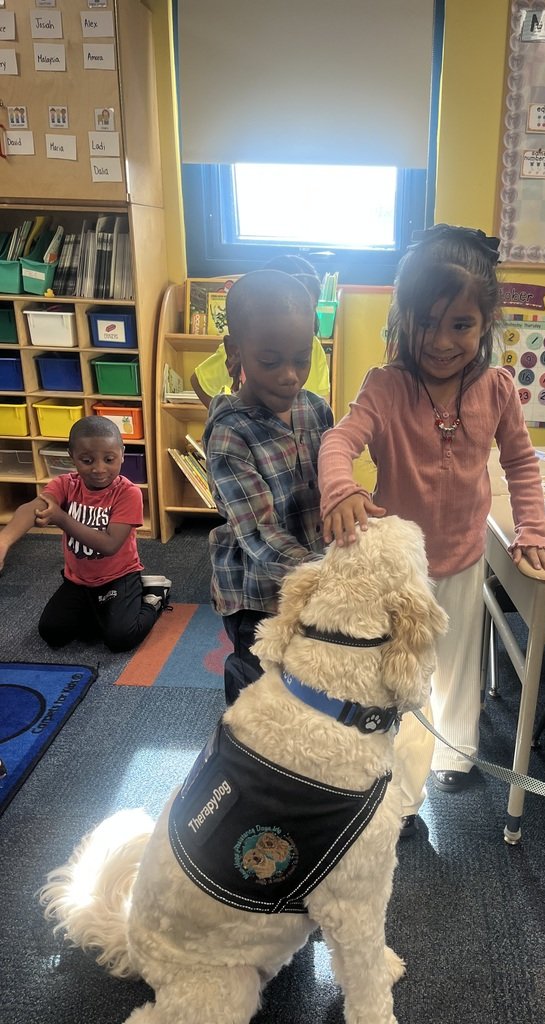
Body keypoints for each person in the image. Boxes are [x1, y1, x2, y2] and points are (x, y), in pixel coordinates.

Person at [318, 224, 545, 836]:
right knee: (402, 673)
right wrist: (342, 488)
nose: (442, 341)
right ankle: (401, 788)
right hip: (401, 567)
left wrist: (532, 528)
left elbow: (521, 463)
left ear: (486, 324)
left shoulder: (497, 388)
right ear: (402, 318)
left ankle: (455, 754)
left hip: (464, 556)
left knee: (457, 663)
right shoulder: (386, 386)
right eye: (426, 322)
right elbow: (339, 441)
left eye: (461, 324)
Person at [202, 269, 333, 705]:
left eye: (302, 358)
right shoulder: (229, 434)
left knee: (305, 680)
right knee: (258, 686)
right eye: (271, 362)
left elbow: (333, 485)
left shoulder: (316, 410)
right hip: (256, 594)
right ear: (235, 352)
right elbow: (258, 532)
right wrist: (326, 575)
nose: (290, 376)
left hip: (312, 580)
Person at [0, 415, 171, 652]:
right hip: (78, 580)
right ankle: (104, 611)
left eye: (109, 459)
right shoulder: (64, 484)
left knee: (120, 638)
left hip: (119, 576)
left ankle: (154, 597)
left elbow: (110, 545)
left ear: (122, 454)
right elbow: (34, 508)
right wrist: (4, 541)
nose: (99, 469)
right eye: (87, 460)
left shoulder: (128, 493)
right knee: (52, 632)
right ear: (72, 456)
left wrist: (61, 518)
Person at [190, 256, 331, 408]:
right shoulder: (246, 344)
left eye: (309, 308)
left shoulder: (314, 347)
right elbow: (200, 382)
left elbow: (323, 400)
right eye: (269, 361)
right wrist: (224, 413)